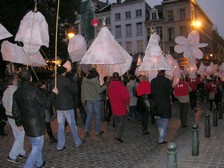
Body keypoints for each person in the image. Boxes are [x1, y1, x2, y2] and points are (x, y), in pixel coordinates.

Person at [12, 70, 58, 168]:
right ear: (31, 78)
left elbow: (15, 110)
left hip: (26, 122)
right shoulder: (34, 91)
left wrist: (18, 123)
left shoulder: (16, 93)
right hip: (36, 123)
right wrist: (54, 93)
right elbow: (47, 104)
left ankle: (39, 163)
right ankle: (28, 166)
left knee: (35, 144)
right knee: (37, 146)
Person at [50, 66, 83, 151]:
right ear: (64, 72)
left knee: (60, 126)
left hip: (58, 107)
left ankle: (60, 145)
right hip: (67, 106)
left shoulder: (53, 81)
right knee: (72, 124)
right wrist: (75, 82)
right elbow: (75, 90)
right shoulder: (66, 81)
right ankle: (77, 141)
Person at [2, 75, 26, 164]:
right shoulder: (14, 91)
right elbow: (16, 107)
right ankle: (12, 155)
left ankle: (21, 152)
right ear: (12, 81)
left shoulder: (7, 91)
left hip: (10, 115)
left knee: (18, 135)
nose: (17, 79)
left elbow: (5, 104)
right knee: (20, 135)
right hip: (15, 117)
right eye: (16, 78)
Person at [81, 68, 106, 136]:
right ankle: (97, 130)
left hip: (88, 100)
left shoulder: (84, 79)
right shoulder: (95, 80)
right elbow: (99, 91)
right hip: (95, 99)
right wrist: (104, 86)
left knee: (89, 114)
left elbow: (82, 90)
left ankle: (86, 129)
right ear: (95, 73)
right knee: (98, 115)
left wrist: (83, 100)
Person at [107, 72, 130, 143]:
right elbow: (126, 97)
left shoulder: (110, 86)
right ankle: (118, 136)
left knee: (116, 120)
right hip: (121, 106)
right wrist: (127, 104)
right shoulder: (121, 85)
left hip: (114, 106)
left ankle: (117, 134)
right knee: (121, 121)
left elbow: (108, 94)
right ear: (118, 77)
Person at [151, 70, 173, 144]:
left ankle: (161, 136)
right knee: (165, 121)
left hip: (156, 104)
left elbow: (152, 93)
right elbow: (170, 92)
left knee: (159, 120)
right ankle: (161, 138)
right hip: (165, 104)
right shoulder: (167, 81)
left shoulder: (153, 81)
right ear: (164, 72)